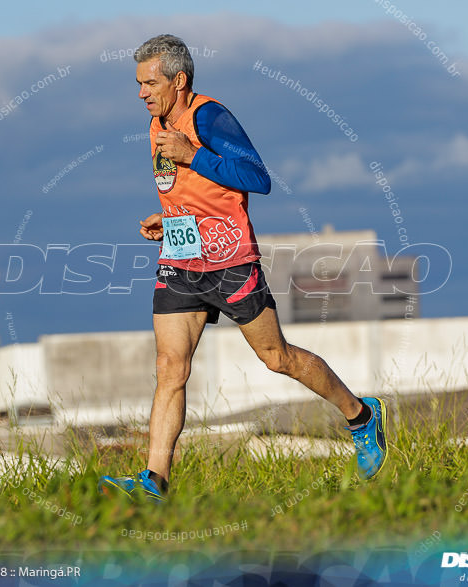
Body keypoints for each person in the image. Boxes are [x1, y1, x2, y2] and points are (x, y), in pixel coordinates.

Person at [98, 34, 387, 503]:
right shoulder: (156, 123)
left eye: (150, 83)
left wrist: (193, 153)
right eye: (138, 83)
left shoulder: (209, 117)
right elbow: (189, 189)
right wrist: (167, 217)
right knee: (170, 367)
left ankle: (361, 415)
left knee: (277, 358)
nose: (141, 92)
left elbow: (258, 178)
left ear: (180, 80)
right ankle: (155, 481)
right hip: (181, 255)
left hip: (231, 260)